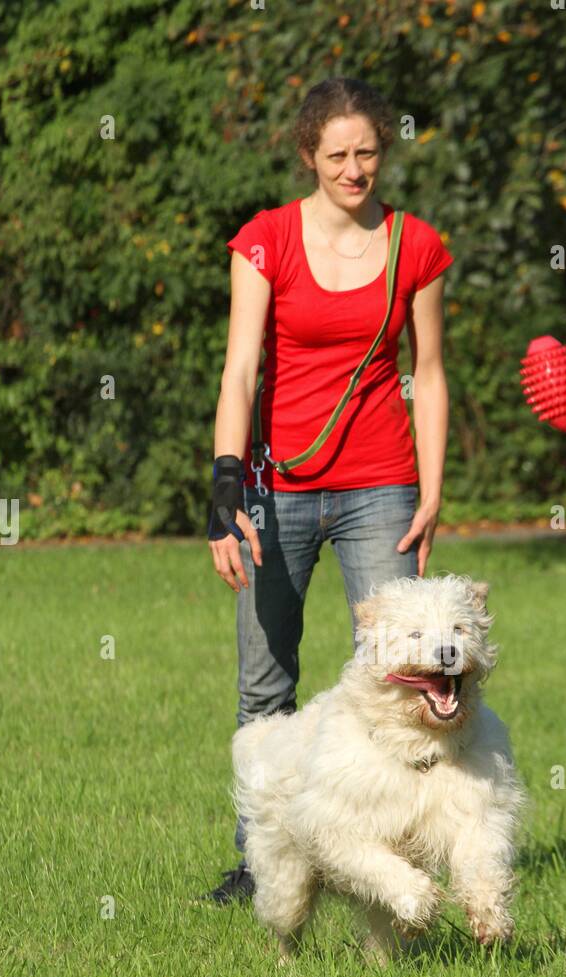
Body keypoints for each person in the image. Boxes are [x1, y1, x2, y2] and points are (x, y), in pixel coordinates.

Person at [203, 77, 453, 903]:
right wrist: (224, 488)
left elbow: (428, 370)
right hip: (278, 488)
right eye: (338, 155)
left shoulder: (415, 245)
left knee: (401, 675)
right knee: (264, 682)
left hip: (382, 484)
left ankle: (395, 848)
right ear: (309, 154)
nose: (355, 170)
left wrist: (433, 486)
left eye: (368, 153)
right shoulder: (266, 240)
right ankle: (260, 861)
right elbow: (241, 370)